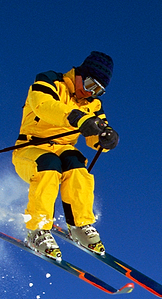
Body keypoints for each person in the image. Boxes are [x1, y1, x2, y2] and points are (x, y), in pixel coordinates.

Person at [12, 51, 119, 260]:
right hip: (31, 147)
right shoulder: (50, 81)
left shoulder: (93, 105)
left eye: (98, 90)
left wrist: (105, 139)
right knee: (49, 164)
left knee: (76, 163)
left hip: (63, 148)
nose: (90, 93)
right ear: (80, 74)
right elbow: (44, 107)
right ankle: (38, 229)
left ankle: (80, 225)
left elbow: (94, 138)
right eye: (90, 85)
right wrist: (76, 117)